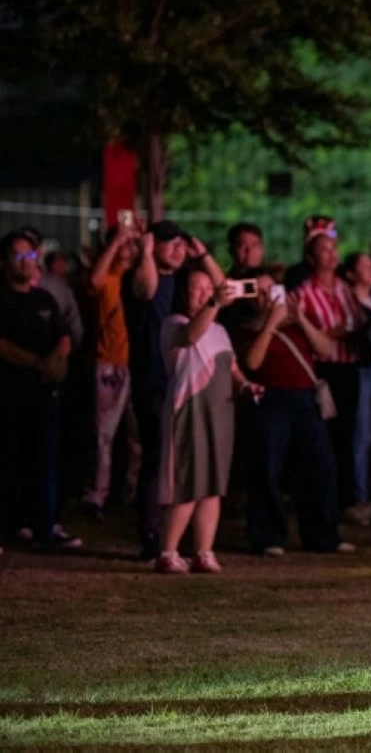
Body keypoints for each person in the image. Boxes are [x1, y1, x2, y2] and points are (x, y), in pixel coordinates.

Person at [125, 221, 225, 560]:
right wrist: (146, 249)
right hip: (153, 380)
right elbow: (147, 289)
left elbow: (223, 290)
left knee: (187, 464)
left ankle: (178, 538)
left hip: (190, 382)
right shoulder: (141, 275)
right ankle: (153, 537)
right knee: (158, 459)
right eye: (171, 243)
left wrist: (205, 255)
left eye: (182, 243)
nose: (179, 249)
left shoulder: (187, 282)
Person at [238, 270, 353, 556]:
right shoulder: (249, 328)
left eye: (271, 291)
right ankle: (268, 536)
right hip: (270, 400)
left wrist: (300, 318)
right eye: (260, 292)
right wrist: (270, 325)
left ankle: (323, 534)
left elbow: (325, 349)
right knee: (268, 468)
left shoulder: (297, 325)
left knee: (320, 466)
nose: (267, 298)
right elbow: (252, 362)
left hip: (304, 400)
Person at [154, 271, 262, 574]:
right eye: (195, 289)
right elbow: (190, 337)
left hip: (220, 411)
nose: (202, 294)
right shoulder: (173, 324)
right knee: (188, 481)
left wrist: (245, 386)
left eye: (207, 289)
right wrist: (215, 301)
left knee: (213, 484)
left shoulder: (219, 330)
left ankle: (204, 550)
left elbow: (231, 367)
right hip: (189, 408)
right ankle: (168, 550)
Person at [0, 230, 81, 548]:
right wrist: (37, 363)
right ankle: (11, 525)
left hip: (44, 394)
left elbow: (64, 335)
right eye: (18, 256)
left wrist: (57, 359)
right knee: (9, 460)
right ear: (4, 262)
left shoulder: (44, 299)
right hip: (8, 393)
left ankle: (46, 525)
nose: (25, 262)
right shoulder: (2, 299)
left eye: (31, 256)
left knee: (45, 460)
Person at [291, 224, 362, 510]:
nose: (331, 256)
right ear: (311, 258)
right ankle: (321, 497)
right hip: (323, 371)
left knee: (348, 433)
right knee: (324, 435)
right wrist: (330, 333)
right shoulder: (304, 293)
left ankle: (346, 498)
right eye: (324, 251)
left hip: (349, 367)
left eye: (334, 249)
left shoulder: (346, 289)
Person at [82, 226, 142, 516]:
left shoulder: (137, 280)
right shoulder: (109, 279)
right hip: (110, 362)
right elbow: (94, 280)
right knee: (103, 435)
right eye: (122, 244)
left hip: (139, 365)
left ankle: (132, 492)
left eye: (130, 245)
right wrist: (117, 240)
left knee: (138, 436)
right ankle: (98, 494)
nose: (126, 250)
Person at [340, 252, 371, 526]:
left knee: (368, 435)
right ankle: (357, 498)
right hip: (360, 371)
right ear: (349, 274)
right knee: (360, 434)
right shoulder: (349, 302)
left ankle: (365, 494)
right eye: (365, 266)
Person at [284, 215, 336, 290]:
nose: (331, 254)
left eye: (333, 247)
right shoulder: (296, 276)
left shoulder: (343, 277)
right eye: (324, 249)